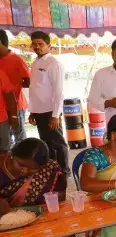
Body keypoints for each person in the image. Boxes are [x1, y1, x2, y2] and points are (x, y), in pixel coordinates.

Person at [0, 138, 75, 237]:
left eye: (32, 170)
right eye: (21, 165)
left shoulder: (51, 170)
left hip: (43, 224)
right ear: (12, 155)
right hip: (5, 229)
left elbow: (56, 209)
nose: (25, 171)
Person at [28, 31, 69, 175]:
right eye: (34, 44)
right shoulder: (35, 63)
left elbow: (59, 91)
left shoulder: (54, 64)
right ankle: (52, 170)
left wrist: (56, 115)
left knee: (58, 143)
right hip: (39, 111)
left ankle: (64, 171)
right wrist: (32, 111)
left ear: (48, 46)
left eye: (40, 44)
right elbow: (35, 89)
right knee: (46, 143)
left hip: (51, 111)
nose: (37, 47)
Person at [0, 30, 29, 144]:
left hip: (17, 105)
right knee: (6, 139)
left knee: (19, 138)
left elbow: (28, 81)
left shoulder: (16, 59)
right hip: (2, 108)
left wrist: (14, 85)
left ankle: (24, 161)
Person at [0, 69, 17, 152]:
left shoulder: (1, 73)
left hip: (1, 119)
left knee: (4, 150)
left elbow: (10, 96)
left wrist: (14, 117)